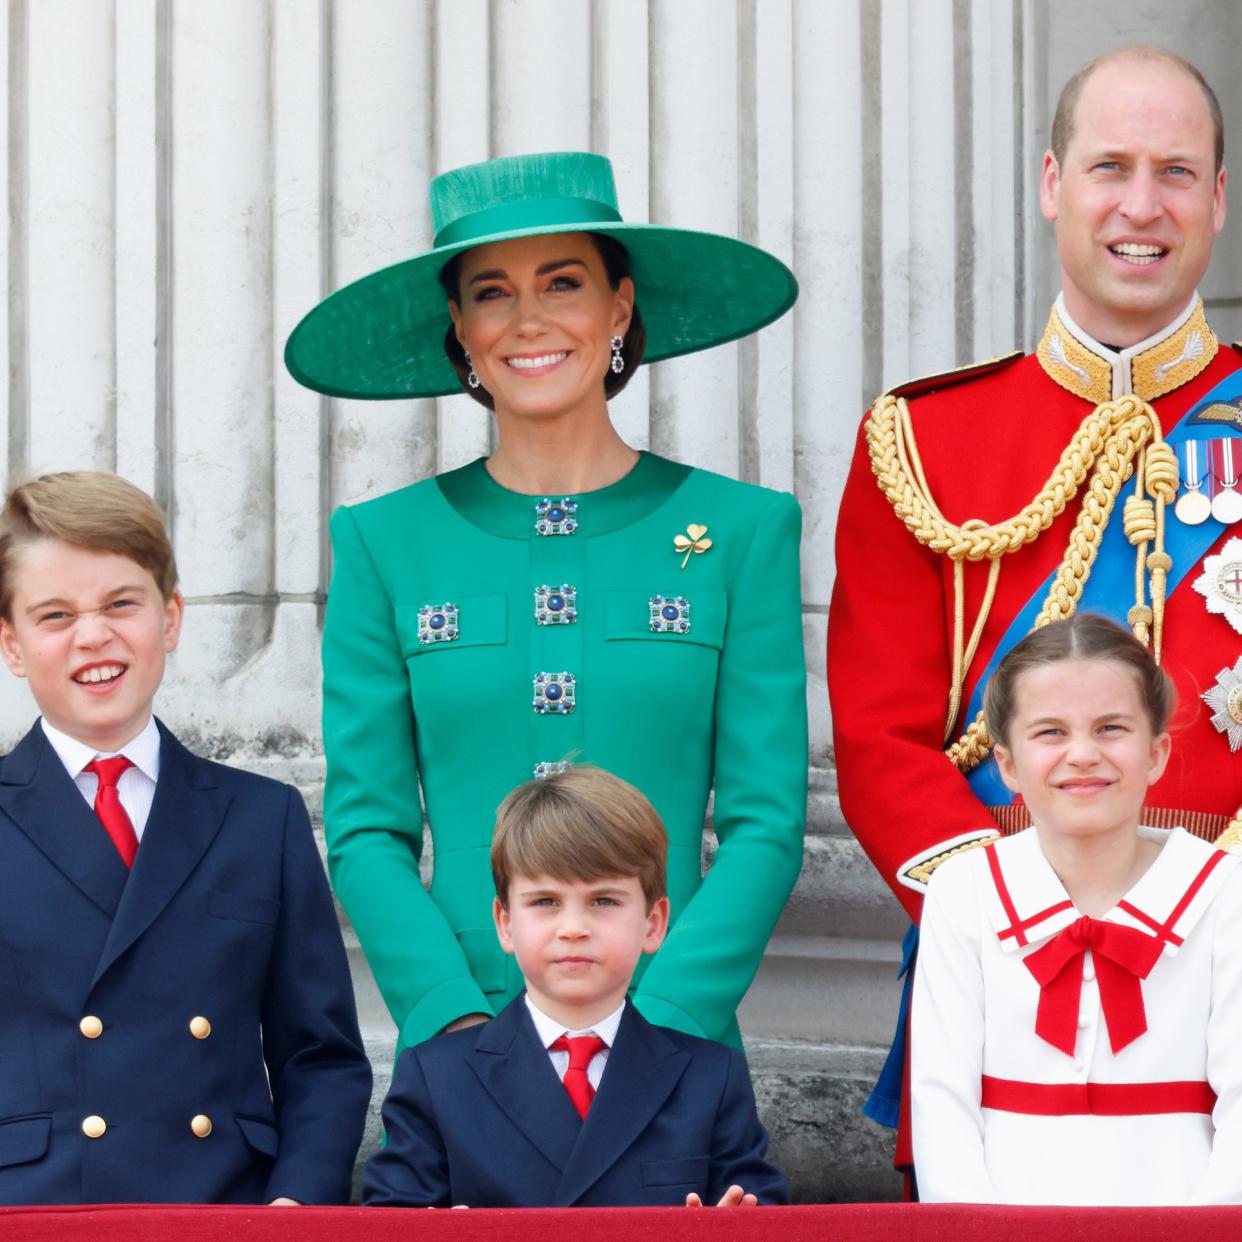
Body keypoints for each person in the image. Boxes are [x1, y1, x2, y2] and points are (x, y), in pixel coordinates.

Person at [285, 151, 807, 1057]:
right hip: (463, 1045)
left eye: (562, 283)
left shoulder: (742, 530)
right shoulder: (383, 542)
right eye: (491, 292)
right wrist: (451, 1014)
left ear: (620, 306)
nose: (528, 320)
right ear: (459, 326)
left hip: (670, 1046)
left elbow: (767, 821)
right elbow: (367, 829)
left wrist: (671, 1018)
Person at [828, 46, 1242, 1140]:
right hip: (997, 978)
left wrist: (1201, 918)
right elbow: (880, 739)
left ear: (1219, 197)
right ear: (1053, 184)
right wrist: (1018, 915)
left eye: (1177, 172)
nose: (1141, 206)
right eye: (1110, 168)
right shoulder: (923, 441)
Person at [0, 471, 371, 1205]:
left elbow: (320, 1059)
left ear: (169, 618)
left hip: (221, 1207)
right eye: (54, 615)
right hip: (32, 1211)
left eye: (120, 604)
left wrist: (295, 1207)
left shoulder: (262, 819)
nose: (94, 636)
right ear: (11, 644)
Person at [912, 613, 1242, 1205]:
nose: (1083, 754)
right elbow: (942, 1107)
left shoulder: (1227, 893)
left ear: (1157, 753)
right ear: (1007, 764)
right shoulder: (964, 893)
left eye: (1111, 728)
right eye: (1050, 733)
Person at [363, 766, 789, 1208]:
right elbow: (391, 1218)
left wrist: (740, 1225)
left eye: (603, 901)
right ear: (505, 924)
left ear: (654, 923)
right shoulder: (437, 1077)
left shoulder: (710, 1078)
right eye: (545, 902)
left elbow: (762, 1210)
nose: (574, 928)